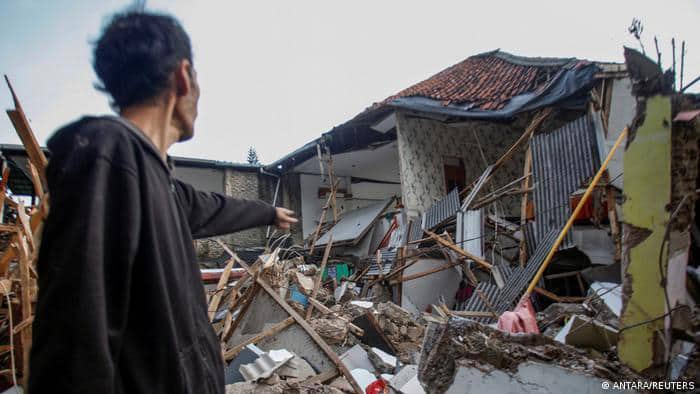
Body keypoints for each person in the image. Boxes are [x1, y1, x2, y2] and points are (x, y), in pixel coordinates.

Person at [28, 11, 297, 394]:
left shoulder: (159, 181)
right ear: (183, 77)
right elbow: (74, 338)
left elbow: (215, 207)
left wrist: (270, 213)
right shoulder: (107, 156)